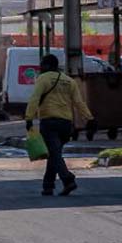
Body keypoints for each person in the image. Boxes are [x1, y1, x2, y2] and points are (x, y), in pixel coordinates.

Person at [25, 53, 93, 196]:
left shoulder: (43, 79)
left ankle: (68, 179)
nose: (40, 67)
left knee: (54, 154)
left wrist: (29, 118)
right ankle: (48, 186)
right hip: (66, 124)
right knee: (54, 154)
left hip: (49, 122)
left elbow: (34, 98)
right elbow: (79, 102)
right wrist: (89, 118)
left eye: (42, 64)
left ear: (48, 65)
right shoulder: (69, 81)